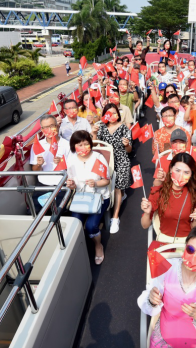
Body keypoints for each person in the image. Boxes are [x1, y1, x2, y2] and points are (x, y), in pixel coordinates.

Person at [66, 131, 111, 265]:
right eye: (79, 145)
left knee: (91, 226)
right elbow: (72, 184)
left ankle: (98, 246)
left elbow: (106, 181)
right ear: (74, 146)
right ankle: (80, 247)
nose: (83, 147)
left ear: (90, 144)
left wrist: (96, 183)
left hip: (100, 197)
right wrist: (72, 185)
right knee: (74, 223)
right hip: (81, 197)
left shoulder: (98, 158)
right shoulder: (71, 159)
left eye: (86, 144)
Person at [140, 153, 196, 244]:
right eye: (177, 170)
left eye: (186, 172)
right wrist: (147, 213)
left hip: (187, 242)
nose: (180, 175)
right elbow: (144, 225)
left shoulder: (195, 194)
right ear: (170, 170)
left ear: (191, 175)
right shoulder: (159, 191)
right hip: (164, 241)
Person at [92, 104, 132, 234]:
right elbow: (96, 145)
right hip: (106, 160)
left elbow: (129, 150)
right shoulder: (101, 128)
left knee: (117, 188)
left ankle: (115, 217)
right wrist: (94, 134)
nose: (112, 116)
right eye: (108, 113)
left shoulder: (124, 128)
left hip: (120, 160)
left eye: (114, 113)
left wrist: (127, 145)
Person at [30, 114, 71, 214]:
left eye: (51, 126)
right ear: (42, 129)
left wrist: (61, 162)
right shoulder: (37, 146)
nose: (49, 129)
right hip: (42, 184)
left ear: (57, 126)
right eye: (46, 127)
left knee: (59, 212)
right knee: (35, 211)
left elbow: (72, 168)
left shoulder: (67, 144)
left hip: (62, 184)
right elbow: (34, 170)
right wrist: (39, 164)